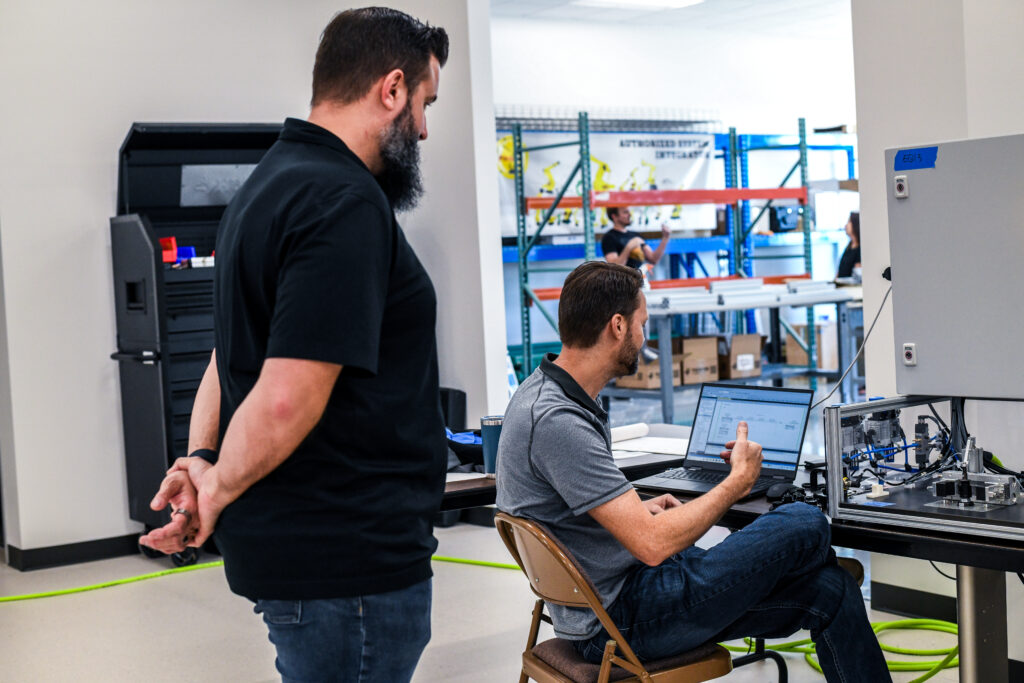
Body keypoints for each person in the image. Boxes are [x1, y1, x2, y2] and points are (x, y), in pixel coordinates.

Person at [139, 8, 449, 682]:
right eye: (425, 103)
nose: (424, 128)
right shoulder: (343, 201)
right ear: (392, 88)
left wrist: (202, 460)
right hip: (348, 564)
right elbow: (283, 399)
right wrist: (214, 489)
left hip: (308, 557)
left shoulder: (265, 186)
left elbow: (227, 353)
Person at [495, 261, 891, 683]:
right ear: (617, 326)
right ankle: (796, 563)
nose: (644, 337)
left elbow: (575, 514)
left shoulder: (545, 393)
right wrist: (737, 482)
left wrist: (636, 510)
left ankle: (799, 567)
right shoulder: (558, 421)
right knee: (806, 521)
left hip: (615, 596)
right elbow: (651, 546)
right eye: (642, 324)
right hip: (620, 619)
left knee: (832, 589)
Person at [601, 206, 670, 270]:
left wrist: (665, 238)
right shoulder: (609, 238)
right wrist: (629, 247)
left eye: (629, 212)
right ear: (614, 216)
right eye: (625, 212)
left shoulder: (635, 235)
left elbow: (653, 259)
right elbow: (614, 268)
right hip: (623, 278)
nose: (630, 215)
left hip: (639, 276)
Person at [836, 210, 861, 279]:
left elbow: (858, 274)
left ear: (856, 223)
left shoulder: (860, 250)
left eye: (849, 221)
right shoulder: (849, 247)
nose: (846, 225)